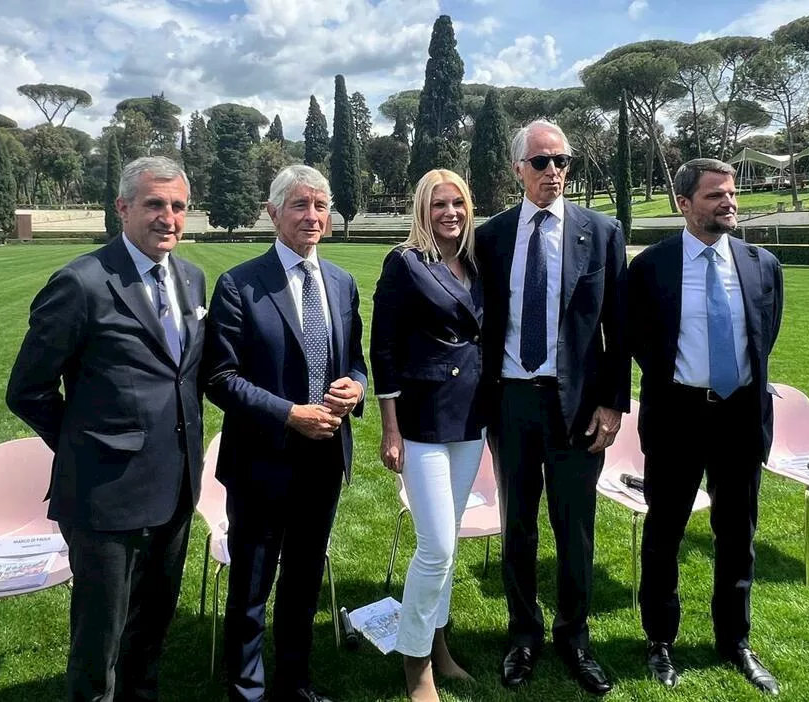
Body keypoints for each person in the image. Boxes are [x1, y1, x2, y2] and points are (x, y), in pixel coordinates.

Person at [5, 156, 207, 702]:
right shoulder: (81, 282)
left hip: (177, 484)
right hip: (106, 495)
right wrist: (88, 444)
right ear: (122, 208)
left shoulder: (190, 277)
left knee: (153, 626)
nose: (169, 218)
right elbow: (27, 390)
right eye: (154, 205)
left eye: (178, 206)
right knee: (99, 642)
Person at [475, 119, 630, 696]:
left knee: (575, 529)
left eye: (562, 161)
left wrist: (613, 405)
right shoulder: (490, 237)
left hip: (576, 408)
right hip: (511, 402)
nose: (553, 172)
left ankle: (575, 637)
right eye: (540, 162)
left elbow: (620, 326)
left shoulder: (602, 232)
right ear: (518, 169)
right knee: (516, 526)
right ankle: (522, 635)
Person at [204, 164, 367, 702]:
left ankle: (296, 681)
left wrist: (356, 388)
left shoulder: (341, 283)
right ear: (273, 213)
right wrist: (289, 413)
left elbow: (357, 362)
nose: (312, 216)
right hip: (262, 462)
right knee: (251, 585)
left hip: (324, 459)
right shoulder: (240, 285)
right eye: (300, 205)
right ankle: (247, 690)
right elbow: (220, 379)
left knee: (302, 583)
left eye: (321, 205)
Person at [629, 158, 784, 695]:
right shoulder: (650, 268)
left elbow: (765, 336)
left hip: (740, 417)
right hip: (676, 419)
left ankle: (735, 639)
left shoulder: (763, 264)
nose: (729, 203)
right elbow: (638, 339)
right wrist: (681, 381)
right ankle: (659, 640)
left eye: (732, 193)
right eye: (715, 195)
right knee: (664, 533)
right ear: (684, 204)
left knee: (738, 534)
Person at [370, 169, 484, 702]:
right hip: (420, 420)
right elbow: (384, 347)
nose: (450, 213)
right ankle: (415, 664)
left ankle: (438, 644)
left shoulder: (477, 263)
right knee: (435, 545)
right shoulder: (406, 263)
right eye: (439, 204)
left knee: (449, 542)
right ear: (422, 209)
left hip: (470, 419)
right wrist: (389, 426)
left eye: (458, 202)